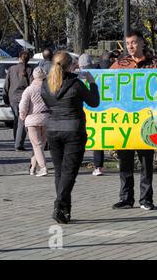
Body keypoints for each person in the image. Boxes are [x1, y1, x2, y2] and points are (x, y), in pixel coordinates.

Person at [41, 51, 99, 224]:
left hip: (53, 130)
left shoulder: (46, 84)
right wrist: (92, 83)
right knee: (69, 172)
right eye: (74, 64)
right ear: (67, 66)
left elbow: (48, 103)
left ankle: (64, 211)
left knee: (60, 171)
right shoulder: (76, 84)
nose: (76, 67)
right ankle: (59, 205)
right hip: (73, 130)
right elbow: (94, 102)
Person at [110, 30, 157, 211]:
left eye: (133, 42)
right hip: (124, 120)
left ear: (142, 43)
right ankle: (126, 197)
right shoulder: (119, 65)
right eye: (127, 43)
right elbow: (108, 87)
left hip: (146, 119)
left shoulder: (155, 64)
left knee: (146, 161)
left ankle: (146, 199)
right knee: (124, 161)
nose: (130, 46)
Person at [19, 66, 49, 177]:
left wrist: (22, 116)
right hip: (46, 118)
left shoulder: (29, 89)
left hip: (32, 119)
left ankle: (43, 167)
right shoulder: (48, 88)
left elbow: (23, 105)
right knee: (40, 145)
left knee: (37, 145)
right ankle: (32, 167)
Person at [3, 51, 33, 151]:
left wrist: (5, 98)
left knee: (17, 119)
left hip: (13, 98)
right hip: (24, 97)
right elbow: (32, 86)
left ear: (19, 57)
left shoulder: (12, 69)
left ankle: (16, 140)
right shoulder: (29, 70)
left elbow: (6, 85)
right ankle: (18, 144)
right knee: (22, 121)